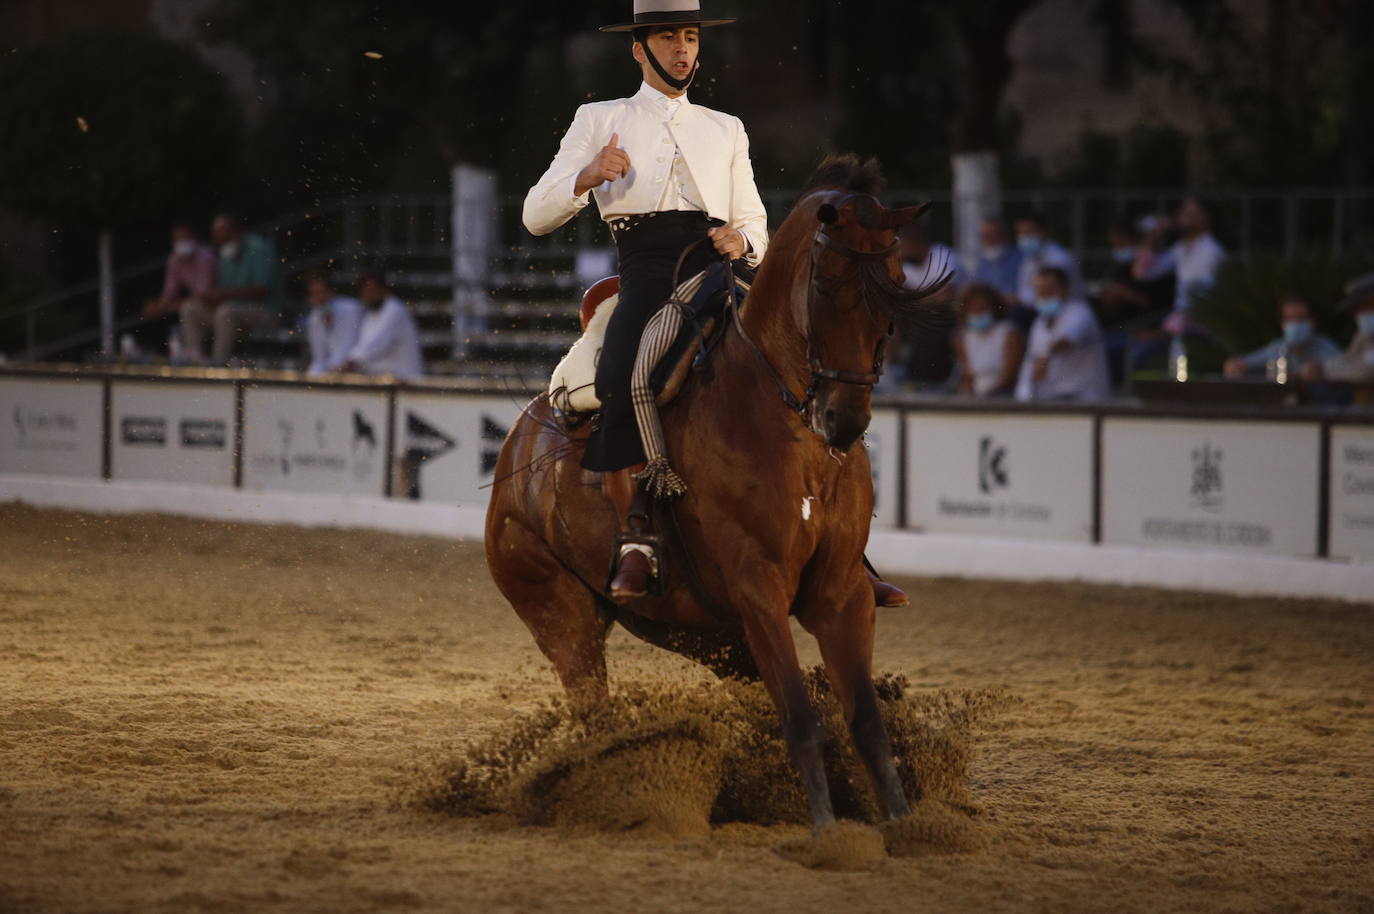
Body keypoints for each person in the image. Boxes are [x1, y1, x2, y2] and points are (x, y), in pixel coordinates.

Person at [522, 1, 768, 601]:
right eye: (667, 37)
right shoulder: (598, 117)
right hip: (648, 272)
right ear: (639, 49)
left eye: (690, 37)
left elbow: (756, 221)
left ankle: (845, 549)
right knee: (620, 374)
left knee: (800, 368)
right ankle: (637, 535)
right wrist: (586, 176)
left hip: (719, 268)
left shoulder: (726, 127)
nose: (683, 49)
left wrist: (746, 240)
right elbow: (534, 214)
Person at [179, 214, 285, 365]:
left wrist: (222, 295)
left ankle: (217, 365)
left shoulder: (258, 247)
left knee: (225, 312)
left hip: (267, 312)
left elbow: (262, 290)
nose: (217, 240)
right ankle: (195, 360)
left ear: (234, 231)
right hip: (234, 313)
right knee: (190, 308)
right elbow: (223, 293)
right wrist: (212, 298)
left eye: (221, 235)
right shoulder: (225, 254)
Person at [1015, 267, 1110, 402]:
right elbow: (1031, 361)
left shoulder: (1080, 312)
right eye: (1039, 291)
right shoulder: (1039, 322)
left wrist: (1046, 357)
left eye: (1048, 290)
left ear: (1065, 289)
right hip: (1049, 398)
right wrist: (1023, 395)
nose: (1043, 295)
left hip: (1082, 398)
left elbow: (1068, 339)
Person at [1133, 198, 1226, 334]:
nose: (1182, 217)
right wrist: (1154, 236)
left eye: (1189, 213)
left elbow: (1203, 301)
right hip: (1180, 324)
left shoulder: (1211, 251)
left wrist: (1160, 333)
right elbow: (1142, 273)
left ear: (1204, 218)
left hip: (1197, 326)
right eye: (1182, 212)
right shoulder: (1181, 248)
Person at [141, 221, 216, 356]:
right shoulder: (175, 258)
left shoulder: (205, 257)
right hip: (195, 305)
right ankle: (157, 354)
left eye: (184, 238)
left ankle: (196, 356)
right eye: (177, 239)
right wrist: (158, 306)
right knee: (154, 312)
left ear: (194, 238)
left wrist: (168, 307)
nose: (181, 242)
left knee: (188, 309)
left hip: (214, 305)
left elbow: (203, 295)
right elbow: (169, 292)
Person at [1223, 295, 1340, 380]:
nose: (1295, 323)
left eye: (1301, 318)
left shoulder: (1325, 347)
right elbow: (1241, 363)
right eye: (1290, 319)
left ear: (1312, 322)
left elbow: (1344, 368)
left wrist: (1323, 370)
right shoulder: (1277, 348)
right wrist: (1234, 365)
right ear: (1283, 324)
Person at [339, 271, 424, 380]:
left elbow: (376, 345)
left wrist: (348, 364)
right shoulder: (370, 313)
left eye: (371, 290)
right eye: (364, 291)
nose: (368, 295)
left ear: (384, 290)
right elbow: (363, 345)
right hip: (381, 379)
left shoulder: (395, 310)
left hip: (404, 380)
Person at [953, 283, 1023, 397]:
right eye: (972, 309)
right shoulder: (963, 337)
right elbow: (967, 376)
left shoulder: (1009, 332)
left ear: (993, 307)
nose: (977, 312)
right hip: (977, 396)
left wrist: (987, 396)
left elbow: (1009, 376)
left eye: (982, 308)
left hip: (1004, 395)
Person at [1303, 273, 1374, 385]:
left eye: (1367, 307)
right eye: (1357, 310)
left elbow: (1368, 372)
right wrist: (1319, 367)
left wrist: (1323, 371)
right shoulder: (1366, 336)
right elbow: (1349, 358)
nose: (1359, 315)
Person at [1013, 212, 1085, 310]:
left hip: (1064, 309)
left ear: (1043, 231)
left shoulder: (1059, 258)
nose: (1024, 238)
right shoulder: (1029, 258)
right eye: (1021, 233)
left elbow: (1051, 293)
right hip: (1042, 310)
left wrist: (1019, 299)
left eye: (1028, 232)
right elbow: (1023, 290)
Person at [300, 271, 364, 375]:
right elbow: (319, 356)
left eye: (321, 292)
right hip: (332, 370)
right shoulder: (314, 318)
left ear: (331, 292)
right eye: (315, 294)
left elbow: (351, 344)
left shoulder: (351, 309)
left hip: (354, 367)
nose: (319, 298)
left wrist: (335, 368)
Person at [970, 215, 1022, 301]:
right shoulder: (983, 262)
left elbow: (1020, 296)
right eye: (983, 236)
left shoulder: (1020, 259)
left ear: (1004, 234)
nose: (987, 240)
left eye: (991, 235)